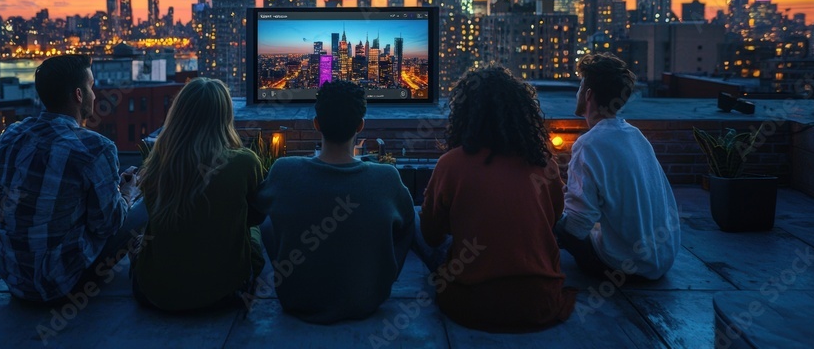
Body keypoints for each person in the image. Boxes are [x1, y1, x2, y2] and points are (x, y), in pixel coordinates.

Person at [417, 65, 575, 332]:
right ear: (521, 112)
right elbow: (554, 218)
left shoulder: (451, 164)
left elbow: (431, 235)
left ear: (465, 113)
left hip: (470, 305)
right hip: (540, 304)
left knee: (411, 220)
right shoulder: (542, 163)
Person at [249, 80, 415, 324]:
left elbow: (253, 214)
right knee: (409, 222)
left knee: (265, 225)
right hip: (367, 301)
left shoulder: (285, 171)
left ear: (316, 124)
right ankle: (370, 278)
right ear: (360, 125)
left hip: (296, 300)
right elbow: (407, 226)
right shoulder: (386, 178)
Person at [0, 54, 144, 303]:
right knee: (142, 206)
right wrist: (129, 192)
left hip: (13, 276)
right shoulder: (95, 147)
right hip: (59, 285)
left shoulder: (11, 135)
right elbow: (109, 225)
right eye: (91, 87)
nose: (95, 95)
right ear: (79, 95)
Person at [131, 78, 265, 311]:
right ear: (225, 117)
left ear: (178, 115)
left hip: (155, 294)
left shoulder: (157, 164)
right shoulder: (244, 162)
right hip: (227, 293)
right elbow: (257, 215)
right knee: (254, 228)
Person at [555, 52, 680, 280]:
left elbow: (576, 227)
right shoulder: (636, 135)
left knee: (556, 223)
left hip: (628, 266)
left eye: (580, 86)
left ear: (588, 94)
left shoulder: (589, 144)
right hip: (663, 258)